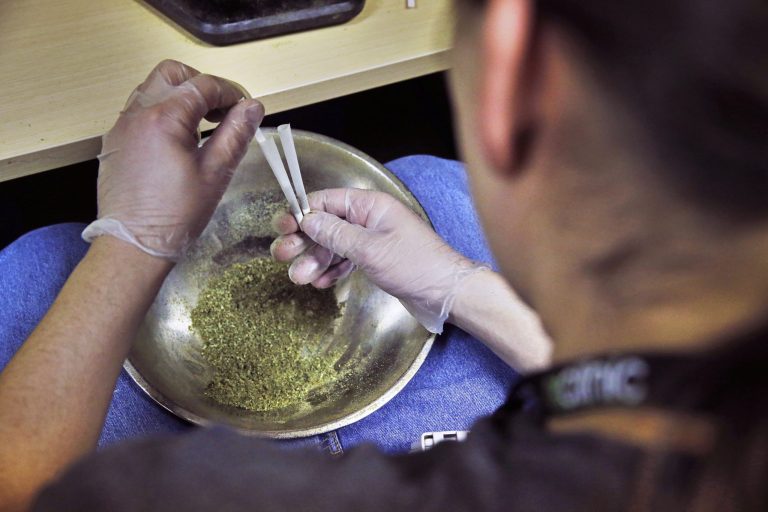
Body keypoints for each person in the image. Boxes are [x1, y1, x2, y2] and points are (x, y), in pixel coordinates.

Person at [0, 0, 766, 508]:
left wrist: (131, 242)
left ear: (516, 87)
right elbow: (638, 406)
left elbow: (18, 488)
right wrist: (462, 287)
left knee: (35, 266)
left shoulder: (189, 492)